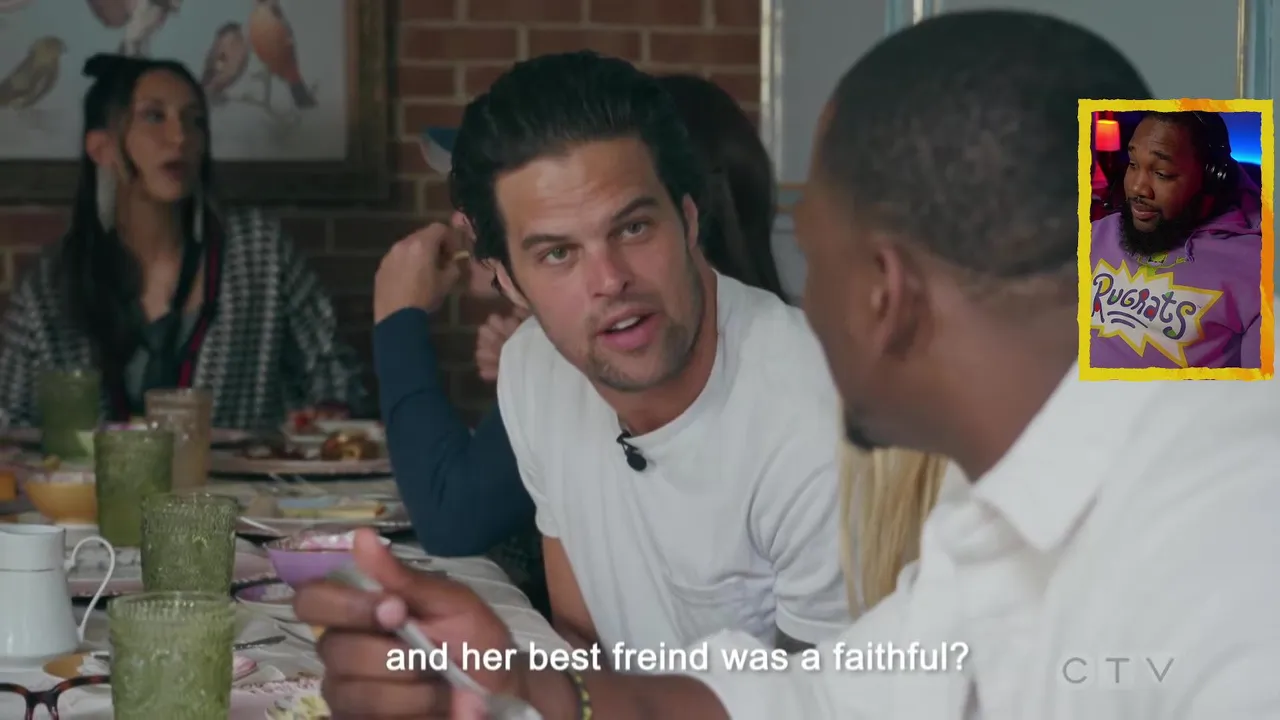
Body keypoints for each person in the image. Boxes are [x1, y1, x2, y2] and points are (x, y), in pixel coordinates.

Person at [298, 10, 1280, 719]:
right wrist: (533, 684)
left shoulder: (1229, 556)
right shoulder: (1008, 504)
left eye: (812, 252)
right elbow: (819, 697)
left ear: (881, 291)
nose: (790, 300)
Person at [378, 52, 850, 654]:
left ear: (687, 219)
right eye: (558, 254)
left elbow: (824, 696)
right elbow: (581, 650)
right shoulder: (532, 371)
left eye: (632, 228)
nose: (609, 279)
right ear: (508, 280)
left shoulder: (816, 419)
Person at [0, 54, 366, 430]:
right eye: (154, 116)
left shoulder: (260, 253)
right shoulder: (51, 286)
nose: (181, 137)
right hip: (93, 471)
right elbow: (10, 417)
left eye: (195, 121)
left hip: (240, 468)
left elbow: (333, 369)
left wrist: (327, 413)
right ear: (102, 149)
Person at [1090, 110, 1263, 369]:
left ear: (1211, 180)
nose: (1137, 188)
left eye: (1162, 173)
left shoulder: (1256, 269)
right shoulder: (1096, 233)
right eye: (1133, 164)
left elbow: (1260, 390)